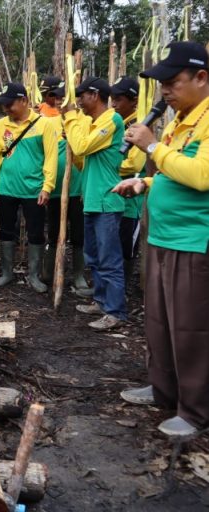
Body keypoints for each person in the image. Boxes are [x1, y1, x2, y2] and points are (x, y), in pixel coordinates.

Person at [114, 41, 209, 436]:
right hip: (163, 236)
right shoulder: (180, 118)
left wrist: (151, 146)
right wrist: (145, 181)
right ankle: (163, 390)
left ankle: (195, 412)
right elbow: (174, 171)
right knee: (160, 319)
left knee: (191, 326)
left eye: (172, 82)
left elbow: (202, 176)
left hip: (193, 240)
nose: (165, 92)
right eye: (162, 84)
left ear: (202, 77)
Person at [63, 77, 126, 330]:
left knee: (110, 259)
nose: (79, 101)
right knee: (94, 257)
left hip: (107, 201)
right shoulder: (93, 123)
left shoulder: (112, 120)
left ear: (95, 95)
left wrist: (70, 120)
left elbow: (81, 145)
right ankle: (101, 301)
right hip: (91, 199)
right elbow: (83, 157)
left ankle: (116, 312)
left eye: (82, 95)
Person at [0, 82, 57, 293]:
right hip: (6, 188)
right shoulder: (1, 126)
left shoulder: (44, 125)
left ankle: (34, 275)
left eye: (10, 104)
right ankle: (7, 273)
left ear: (24, 101)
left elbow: (51, 158)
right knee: (5, 230)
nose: (6, 109)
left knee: (36, 232)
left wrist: (47, 187)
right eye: (4, 105)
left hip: (33, 189)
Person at [39, 80, 90, 295]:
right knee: (53, 233)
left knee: (78, 234)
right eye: (57, 98)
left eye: (64, 98)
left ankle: (78, 275)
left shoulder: (84, 121)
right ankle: (49, 271)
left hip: (78, 188)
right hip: (56, 189)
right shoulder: (48, 123)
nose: (60, 101)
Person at [110, 77, 146, 289]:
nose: (114, 104)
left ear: (134, 101)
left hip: (131, 202)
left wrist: (109, 166)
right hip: (114, 198)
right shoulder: (119, 124)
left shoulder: (138, 126)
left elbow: (134, 164)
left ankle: (119, 294)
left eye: (119, 99)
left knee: (125, 249)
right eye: (112, 99)